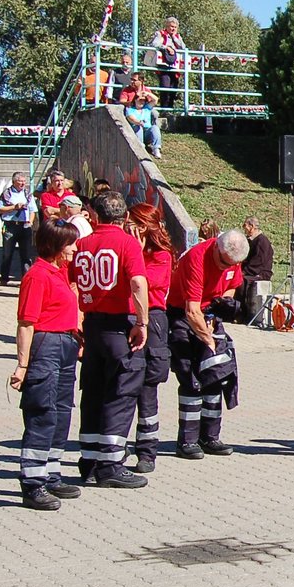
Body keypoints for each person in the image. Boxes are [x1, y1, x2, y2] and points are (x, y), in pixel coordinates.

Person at [72, 190, 151, 488]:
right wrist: (142, 322)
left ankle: (89, 461)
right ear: (125, 216)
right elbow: (137, 282)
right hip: (120, 326)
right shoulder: (127, 243)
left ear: (95, 215)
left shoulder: (82, 244)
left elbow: (70, 281)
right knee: (120, 394)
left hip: (92, 325)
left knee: (92, 393)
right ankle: (111, 464)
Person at [10, 221, 83, 510]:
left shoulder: (60, 271)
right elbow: (26, 323)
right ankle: (32, 483)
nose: (75, 249)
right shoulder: (37, 275)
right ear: (54, 245)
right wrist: (22, 365)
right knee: (43, 412)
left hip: (65, 345)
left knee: (62, 411)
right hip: (46, 346)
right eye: (70, 244)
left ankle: (51, 472)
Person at [167, 228, 249, 458]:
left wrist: (220, 306)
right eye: (223, 262)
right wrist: (208, 339)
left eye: (230, 264)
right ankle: (187, 441)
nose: (225, 267)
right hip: (183, 316)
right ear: (216, 248)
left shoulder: (232, 258)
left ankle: (210, 437)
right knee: (192, 379)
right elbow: (192, 311)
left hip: (209, 313)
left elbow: (233, 284)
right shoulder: (197, 259)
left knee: (215, 376)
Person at [126, 203, 173, 474]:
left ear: (144, 226)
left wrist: (136, 251)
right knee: (123, 385)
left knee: (148, 387)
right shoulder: (126, 247)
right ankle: (117, 447)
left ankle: (147, 451)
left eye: (134, 223)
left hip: (152, 319)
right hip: (127, 318)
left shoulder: (162, 254)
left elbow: (144, 281)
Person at [0, 171, 33, 284]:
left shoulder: (27, 193)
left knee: (26, 255)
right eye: (20, 181)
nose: (22, 183)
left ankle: (26, 280)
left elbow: (33, 210)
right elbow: (0, 208)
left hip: (25, 226)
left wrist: (30, 222)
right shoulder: (7, 193)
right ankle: (4, 278)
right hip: (10, 226)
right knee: (7, 254)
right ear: (14, 182)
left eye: (24, 181)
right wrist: (14, 207)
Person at [237, 217, 274, 324]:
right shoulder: (250, 240)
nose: (244, 228)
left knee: (242, 281)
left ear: (251, 227)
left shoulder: (262, 241)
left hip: (261, 272)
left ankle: (244, 313)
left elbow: (258, 261)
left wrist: (244, 271)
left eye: (245, 226)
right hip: (250, 269)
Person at [117, 71, 162, 158]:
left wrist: (147, 94)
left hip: (146, 117)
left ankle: (156, 148)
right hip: (135, 119)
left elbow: (154, 100)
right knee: (139, 127)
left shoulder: (146, 92)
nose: (132, 82)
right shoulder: (127, 91)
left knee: (155, 118)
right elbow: (122, 102)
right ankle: (141, 147)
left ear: (141, 81)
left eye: (134, 80)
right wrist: (133, 100)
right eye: (131, 80)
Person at [149, 16, 186, 111]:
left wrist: (174, 38)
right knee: (165, 87)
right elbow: (154, 44)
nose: (173, 29)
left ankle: (170, 109)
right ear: (167, 26)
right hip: (164, 65)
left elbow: (183, 47)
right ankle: (164, 109)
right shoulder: (160, 34)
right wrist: (166, 47)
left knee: (174, 88)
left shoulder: (178, 37)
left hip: (175, 66)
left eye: (175, 27)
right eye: (171, 26)